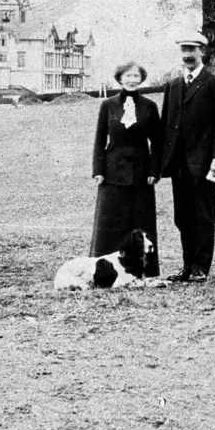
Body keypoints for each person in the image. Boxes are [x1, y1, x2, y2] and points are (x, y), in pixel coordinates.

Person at [158, 32, 215, 283]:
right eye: (183, 50)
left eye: (192, 49)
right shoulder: (173, 85)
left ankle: (201, 267)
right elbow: (166, 126)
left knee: (203, 216)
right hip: (179, 166)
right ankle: (187, 265)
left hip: (204, 165)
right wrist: (161, 162)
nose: (187, 55)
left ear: (203, 52)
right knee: (183, 217)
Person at [90, 61, 161, 277]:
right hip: (111, 174)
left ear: (141, 79)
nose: (131, 80)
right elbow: (100, 139)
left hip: (141, 176)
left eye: (135, 76)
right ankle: (101, 271)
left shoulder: (149, 106)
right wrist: (98, 170)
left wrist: (154, 171)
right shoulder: (108, 105)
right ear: (120, 78)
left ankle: (145, 270)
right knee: (108, 224)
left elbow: (157, 142)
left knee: (141, 223)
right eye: (127, 76)